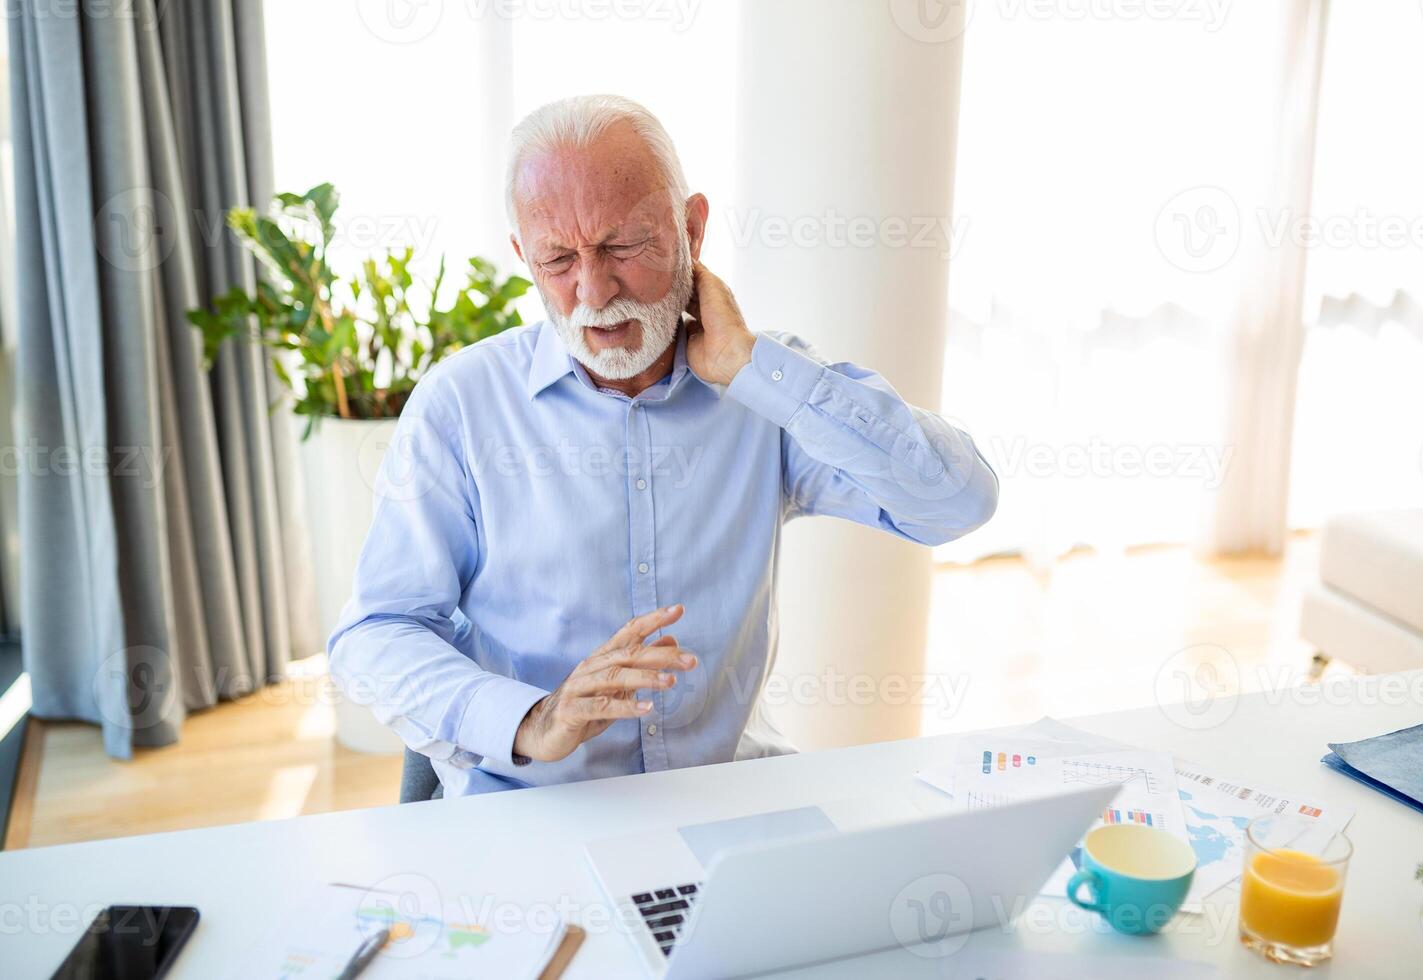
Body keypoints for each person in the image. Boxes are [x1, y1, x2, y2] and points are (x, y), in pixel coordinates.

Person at [328, 94, 998, 796]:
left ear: (692, 229)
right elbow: (376, 632)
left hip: (727, 800)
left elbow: (957, 502)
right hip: (536, 810)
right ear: (523, 255)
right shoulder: (462, 406)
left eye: (623, 245)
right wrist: (533, 720)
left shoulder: (765, 389)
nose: (593, 289)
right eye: (558, 258)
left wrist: (757, 373)